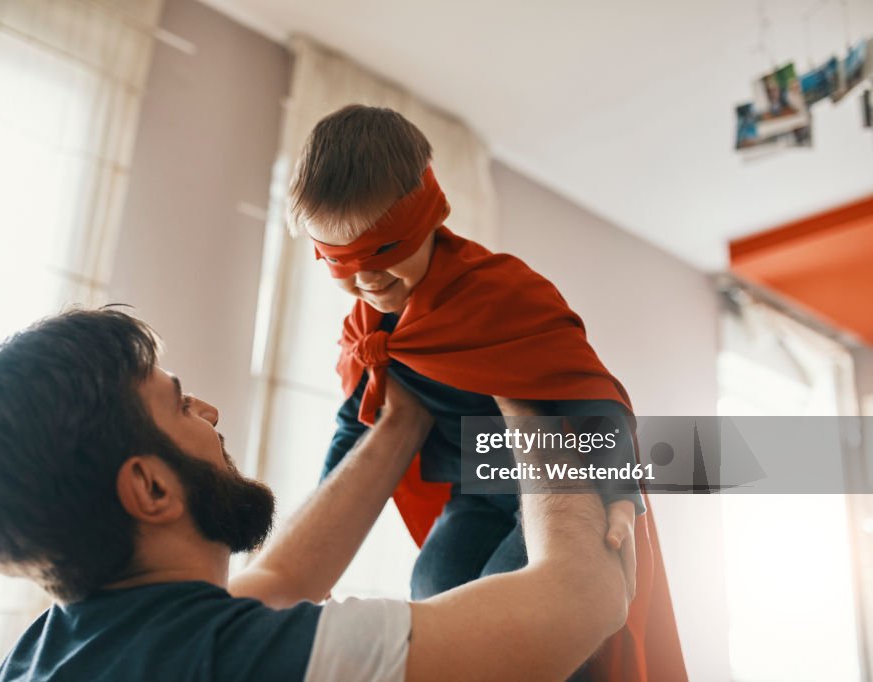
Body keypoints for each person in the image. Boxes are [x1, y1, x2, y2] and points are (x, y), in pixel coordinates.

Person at [0, 307, 627, 681]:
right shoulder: (234, 664)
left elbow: (282, 580)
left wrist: (399, 423)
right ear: (150, 486)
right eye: (180, 406)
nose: (211, 415)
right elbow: (583, 601)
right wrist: (528, 395)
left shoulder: (51, 652)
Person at [287, 105, 686, 680]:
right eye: (340, 263)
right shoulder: (370, 331)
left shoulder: (497, 290)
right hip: (475, 489)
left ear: (431, 215)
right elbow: (357, 427)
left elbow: (590, 392)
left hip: (558, 477)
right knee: (431, 584)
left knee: (529, 609)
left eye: (383, 251)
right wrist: (315, 548)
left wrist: (619, 486)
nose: (367, 280)